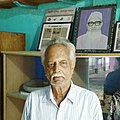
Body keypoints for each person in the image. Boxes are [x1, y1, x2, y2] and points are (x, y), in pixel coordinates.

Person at [21, 38, 103, 120]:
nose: (56, 70)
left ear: (72, 65)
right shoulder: (33, 99)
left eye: (63, 63)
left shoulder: (89, 100)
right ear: (45, 69)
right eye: (51, 64)